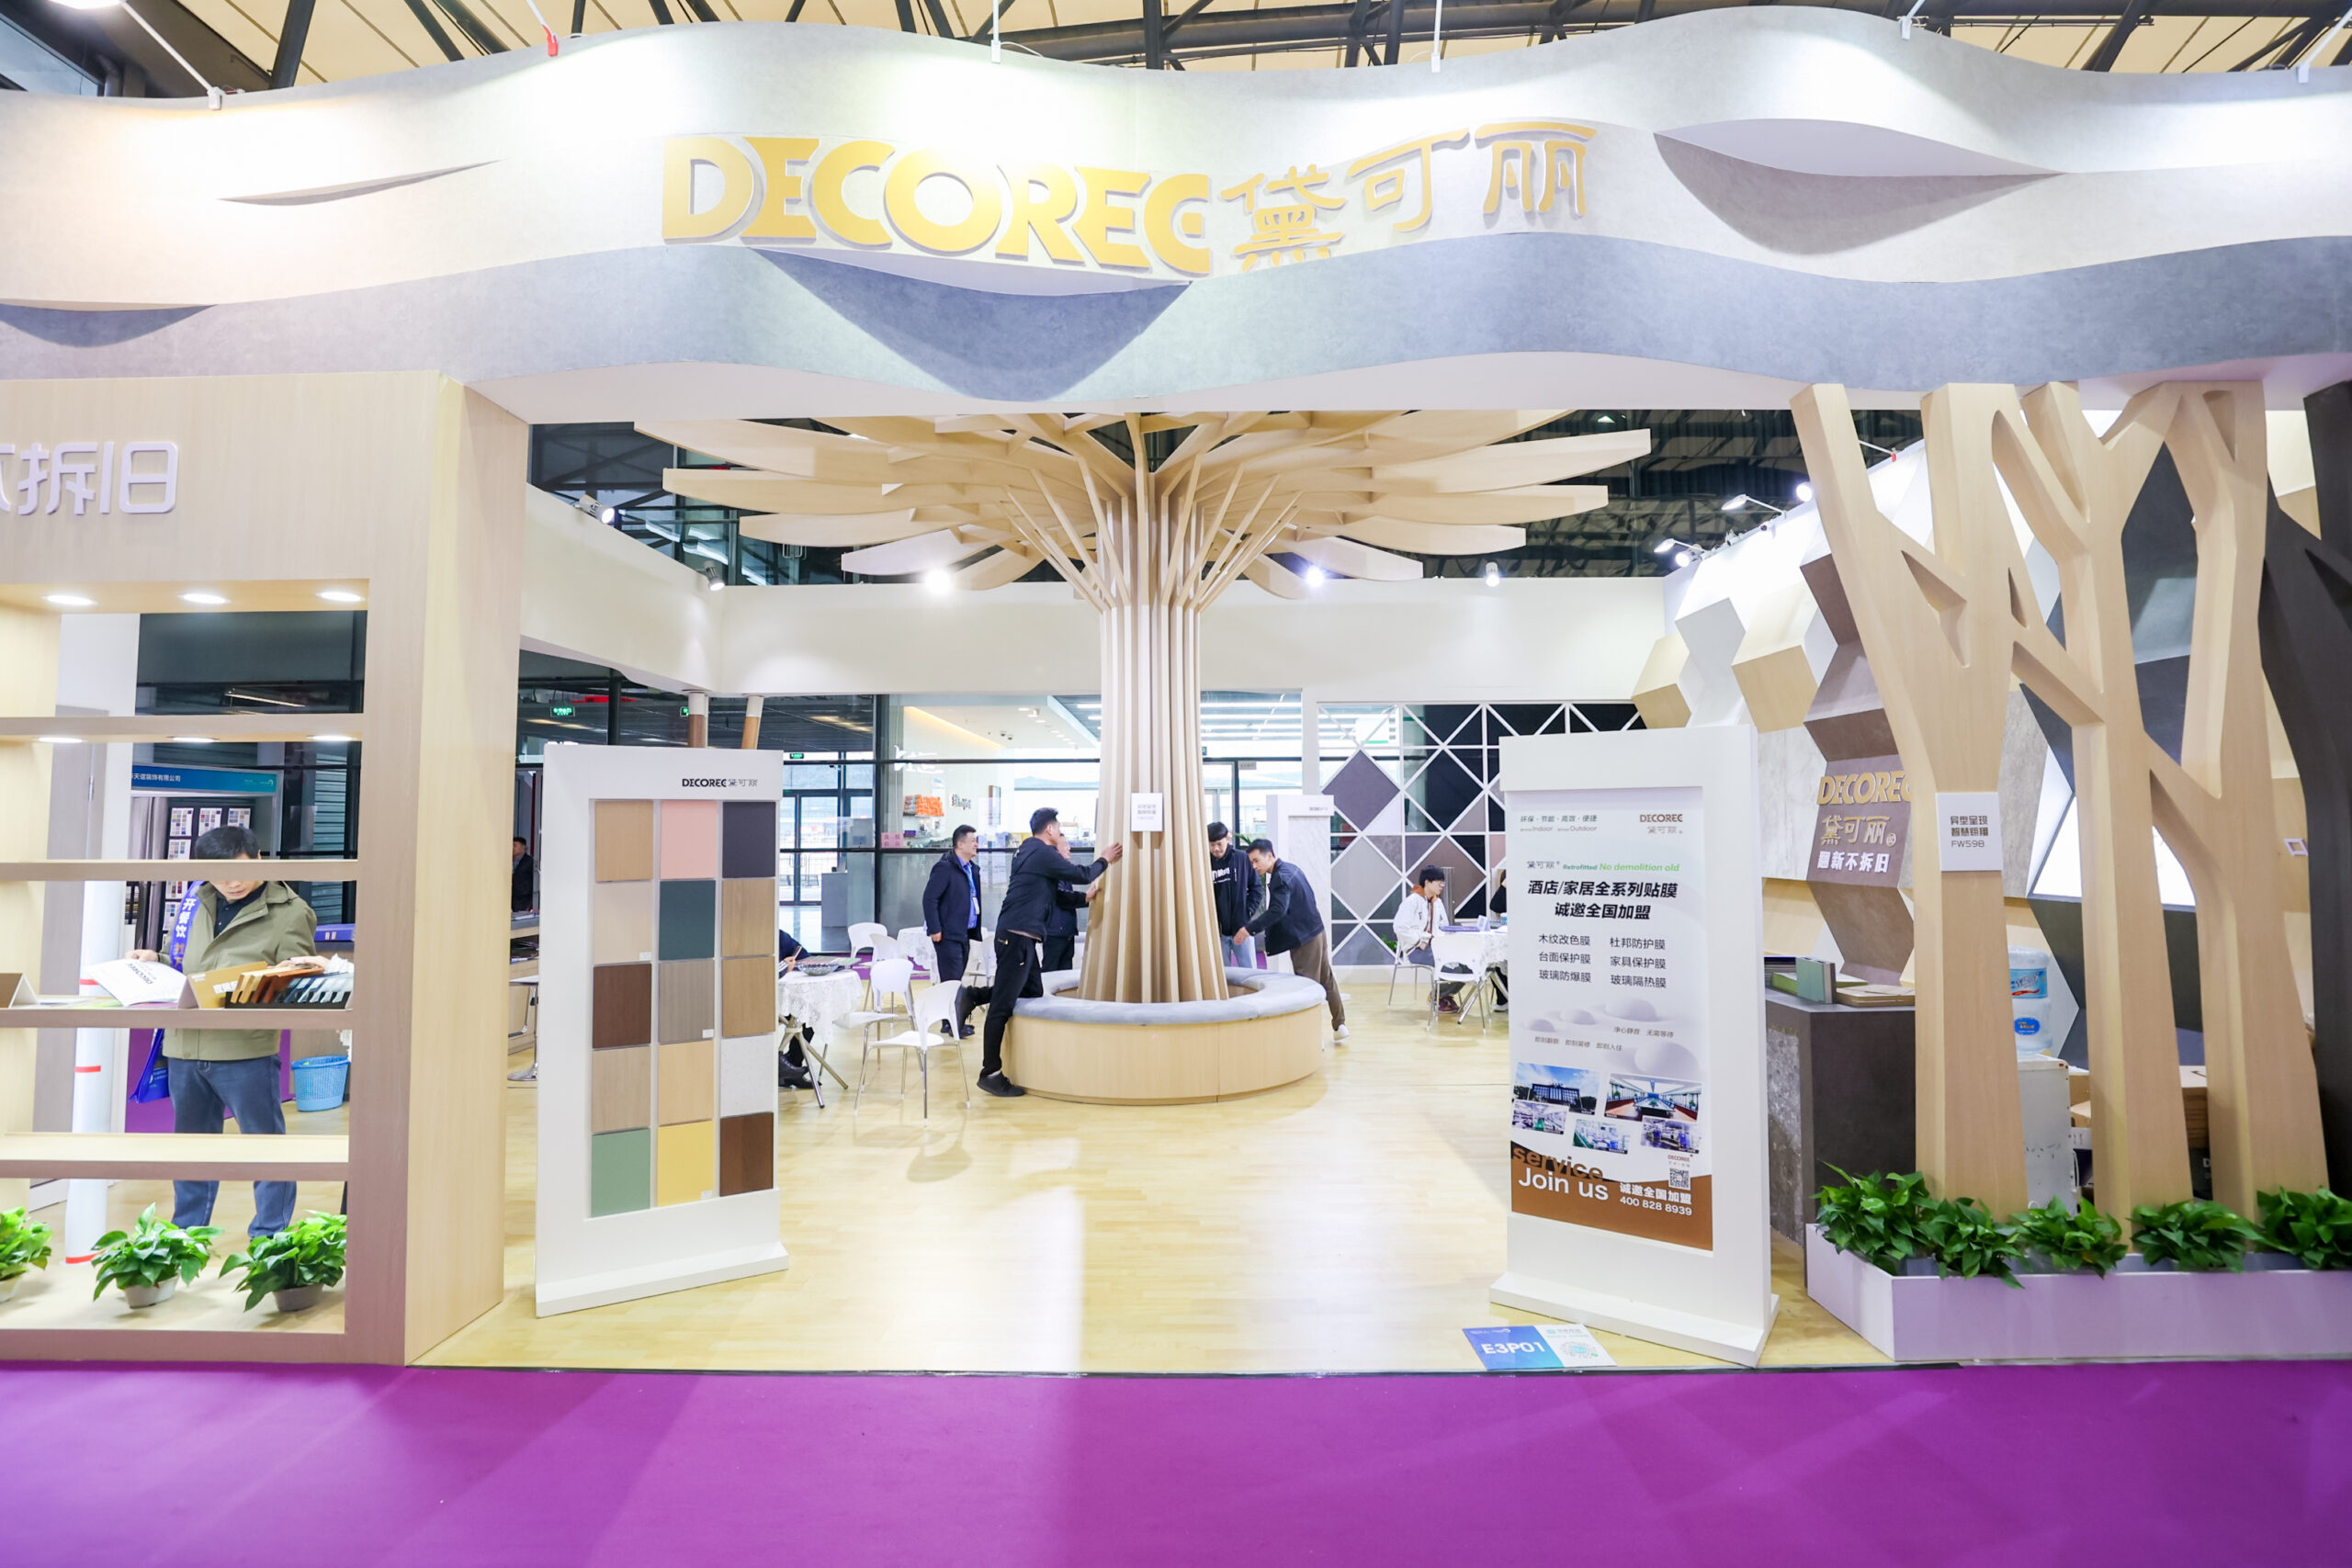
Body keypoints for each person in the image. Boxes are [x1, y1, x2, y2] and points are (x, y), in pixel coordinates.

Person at [128, 825, 323, 1237]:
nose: (231, 883)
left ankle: (269, 1239)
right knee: (192, 1151)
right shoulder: (194, 902)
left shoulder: (291, 911)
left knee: (265, 1147)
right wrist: (155, 958)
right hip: (185, 1045)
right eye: (218, 874)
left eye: (239, 871)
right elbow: (184, 961)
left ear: (259, 859)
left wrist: (259, 981)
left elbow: (296, 979)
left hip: (244, 1050)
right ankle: (185, 1237)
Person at [956, 807, 1121, 1097]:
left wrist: (1085, 899)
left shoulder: (1028, 852)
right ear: (1049, 830)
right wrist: (1105, 858)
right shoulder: (1042, 852)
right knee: (1002, 1007)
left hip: (1021, 937)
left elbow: (1056, 895)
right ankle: (990, 1072)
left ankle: (977, 995)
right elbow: (1081, 873)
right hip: (1016, 937)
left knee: (1032, 990)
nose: (1061, 835)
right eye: (1059, 829)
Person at [1245, 838, 1346, 1041]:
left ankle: (1312, 1037)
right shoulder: (1292, 869)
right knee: (1326, 979)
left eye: (1256, 861)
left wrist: (1249, 929)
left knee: (1307, 988)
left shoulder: (1281, 878)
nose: (1254, 867)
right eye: (1251, 862)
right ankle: (1340, 1026)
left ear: (1270, 856)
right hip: (1317, 931)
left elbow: (1277, 910)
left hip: (1305, 939)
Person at [922, 825, 985, 1038]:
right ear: (960, 844)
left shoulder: (972, 869)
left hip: (964, 933)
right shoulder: (945, 868)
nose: (976, 844)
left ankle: (949, 1022)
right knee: (952, 982)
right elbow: (930, 899)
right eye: (972, 841)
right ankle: (953, 1024)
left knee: (955, 980)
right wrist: (935, 928)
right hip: (947, 934)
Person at [1394, 865, 1464, 1013]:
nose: (1442, 885)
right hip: (1418, 949)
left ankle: (1445, 995)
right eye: (1439, 881)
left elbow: (1444, 926)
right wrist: (1419, 941)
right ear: (1427, 882)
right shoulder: (1412, 901)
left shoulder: (1437, 902)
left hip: (1437, 946)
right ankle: (1436, 996)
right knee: (1452, 969)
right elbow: (1400, 927)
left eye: (1443, 882)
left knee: (1466, 966)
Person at [1206, 822, 1261, 969]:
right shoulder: (1205, 863)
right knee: (1221, 974)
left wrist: (1247, 912)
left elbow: (1256, 889)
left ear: (1228, 838)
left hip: (1242, 928)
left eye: (1219, 844)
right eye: (1212, 845)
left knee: (1249, 972)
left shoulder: (1242, 858)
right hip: (1218, 931)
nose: (1215, 849)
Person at [775, 924, 815, 1089]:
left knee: (809, 1014)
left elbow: (804, 957)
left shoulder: (779, 936)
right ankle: (786, 1068)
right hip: (760, 1003)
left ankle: (792, 1065)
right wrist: (783, 967)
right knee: (803, 1014)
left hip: (782, 998)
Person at [510, 835, 535, 914]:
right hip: (511, 898)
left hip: (524, 900)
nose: (512, 848)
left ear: (523, 847)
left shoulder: (530, 862)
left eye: (515, 845)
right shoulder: (509, 860)